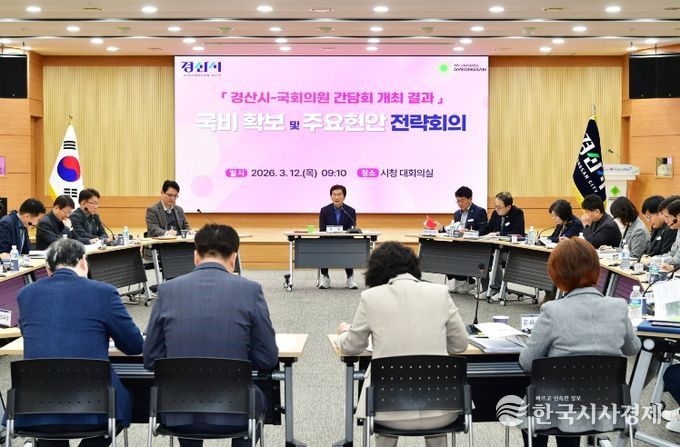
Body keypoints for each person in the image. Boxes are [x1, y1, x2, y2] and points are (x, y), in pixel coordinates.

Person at [143, 224, 278, 447]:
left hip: (177, 409)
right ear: (234, 258)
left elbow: (151, 359)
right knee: (257, 397)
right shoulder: (251, 291)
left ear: (196, 256)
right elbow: (268, 358)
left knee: (184, 394)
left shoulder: (167, 291)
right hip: (237, 410)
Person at [336, 242, 468, 447]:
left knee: (382, 400)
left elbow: (351, 347)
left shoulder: (371, 298)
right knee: (437, 413)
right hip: (442, 410)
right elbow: (460, 345)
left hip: (386, 410)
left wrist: (344, 333)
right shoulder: (440, 293)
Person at [14, 238, 144, 447]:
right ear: (84, 261)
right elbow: (134, 346)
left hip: (33, 405)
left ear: (48, 269)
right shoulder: (103, 292)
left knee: (48, 413)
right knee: (125, 401)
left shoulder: (25, 294)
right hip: (94, 404)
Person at [519, 238, 641, 447]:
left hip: (558, 408)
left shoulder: (552, 311)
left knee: (541, 401)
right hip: (605, 407)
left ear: (556, 274)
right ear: (596, 269)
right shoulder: (618, 307)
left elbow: (527, 363)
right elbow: (633, 348)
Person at [434, 186, 488, 293]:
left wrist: (469, 232)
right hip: (459, 244)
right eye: (458, 201)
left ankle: (469, 282)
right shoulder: (457, 214)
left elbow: (484, 230)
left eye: (462, 201)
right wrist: (442, 228)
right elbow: (454, 228)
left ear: (470, 199)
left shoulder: (479, 211)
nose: (460, 203)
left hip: (473, 246)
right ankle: (462, 281)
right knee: (444, 254)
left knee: (457, 255)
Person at [318, 184, 358, 289]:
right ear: (331, 196)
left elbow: (351, 228)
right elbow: (322, 229)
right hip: (328, 241)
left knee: (349, 247)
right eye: (334, 194)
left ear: (344, 196)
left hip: (345, 241)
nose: (336, 197)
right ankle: (325, 277)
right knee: (322, 246)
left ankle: (350, 277)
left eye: (339, 194)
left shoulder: (350, 211)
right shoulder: (324, 210)